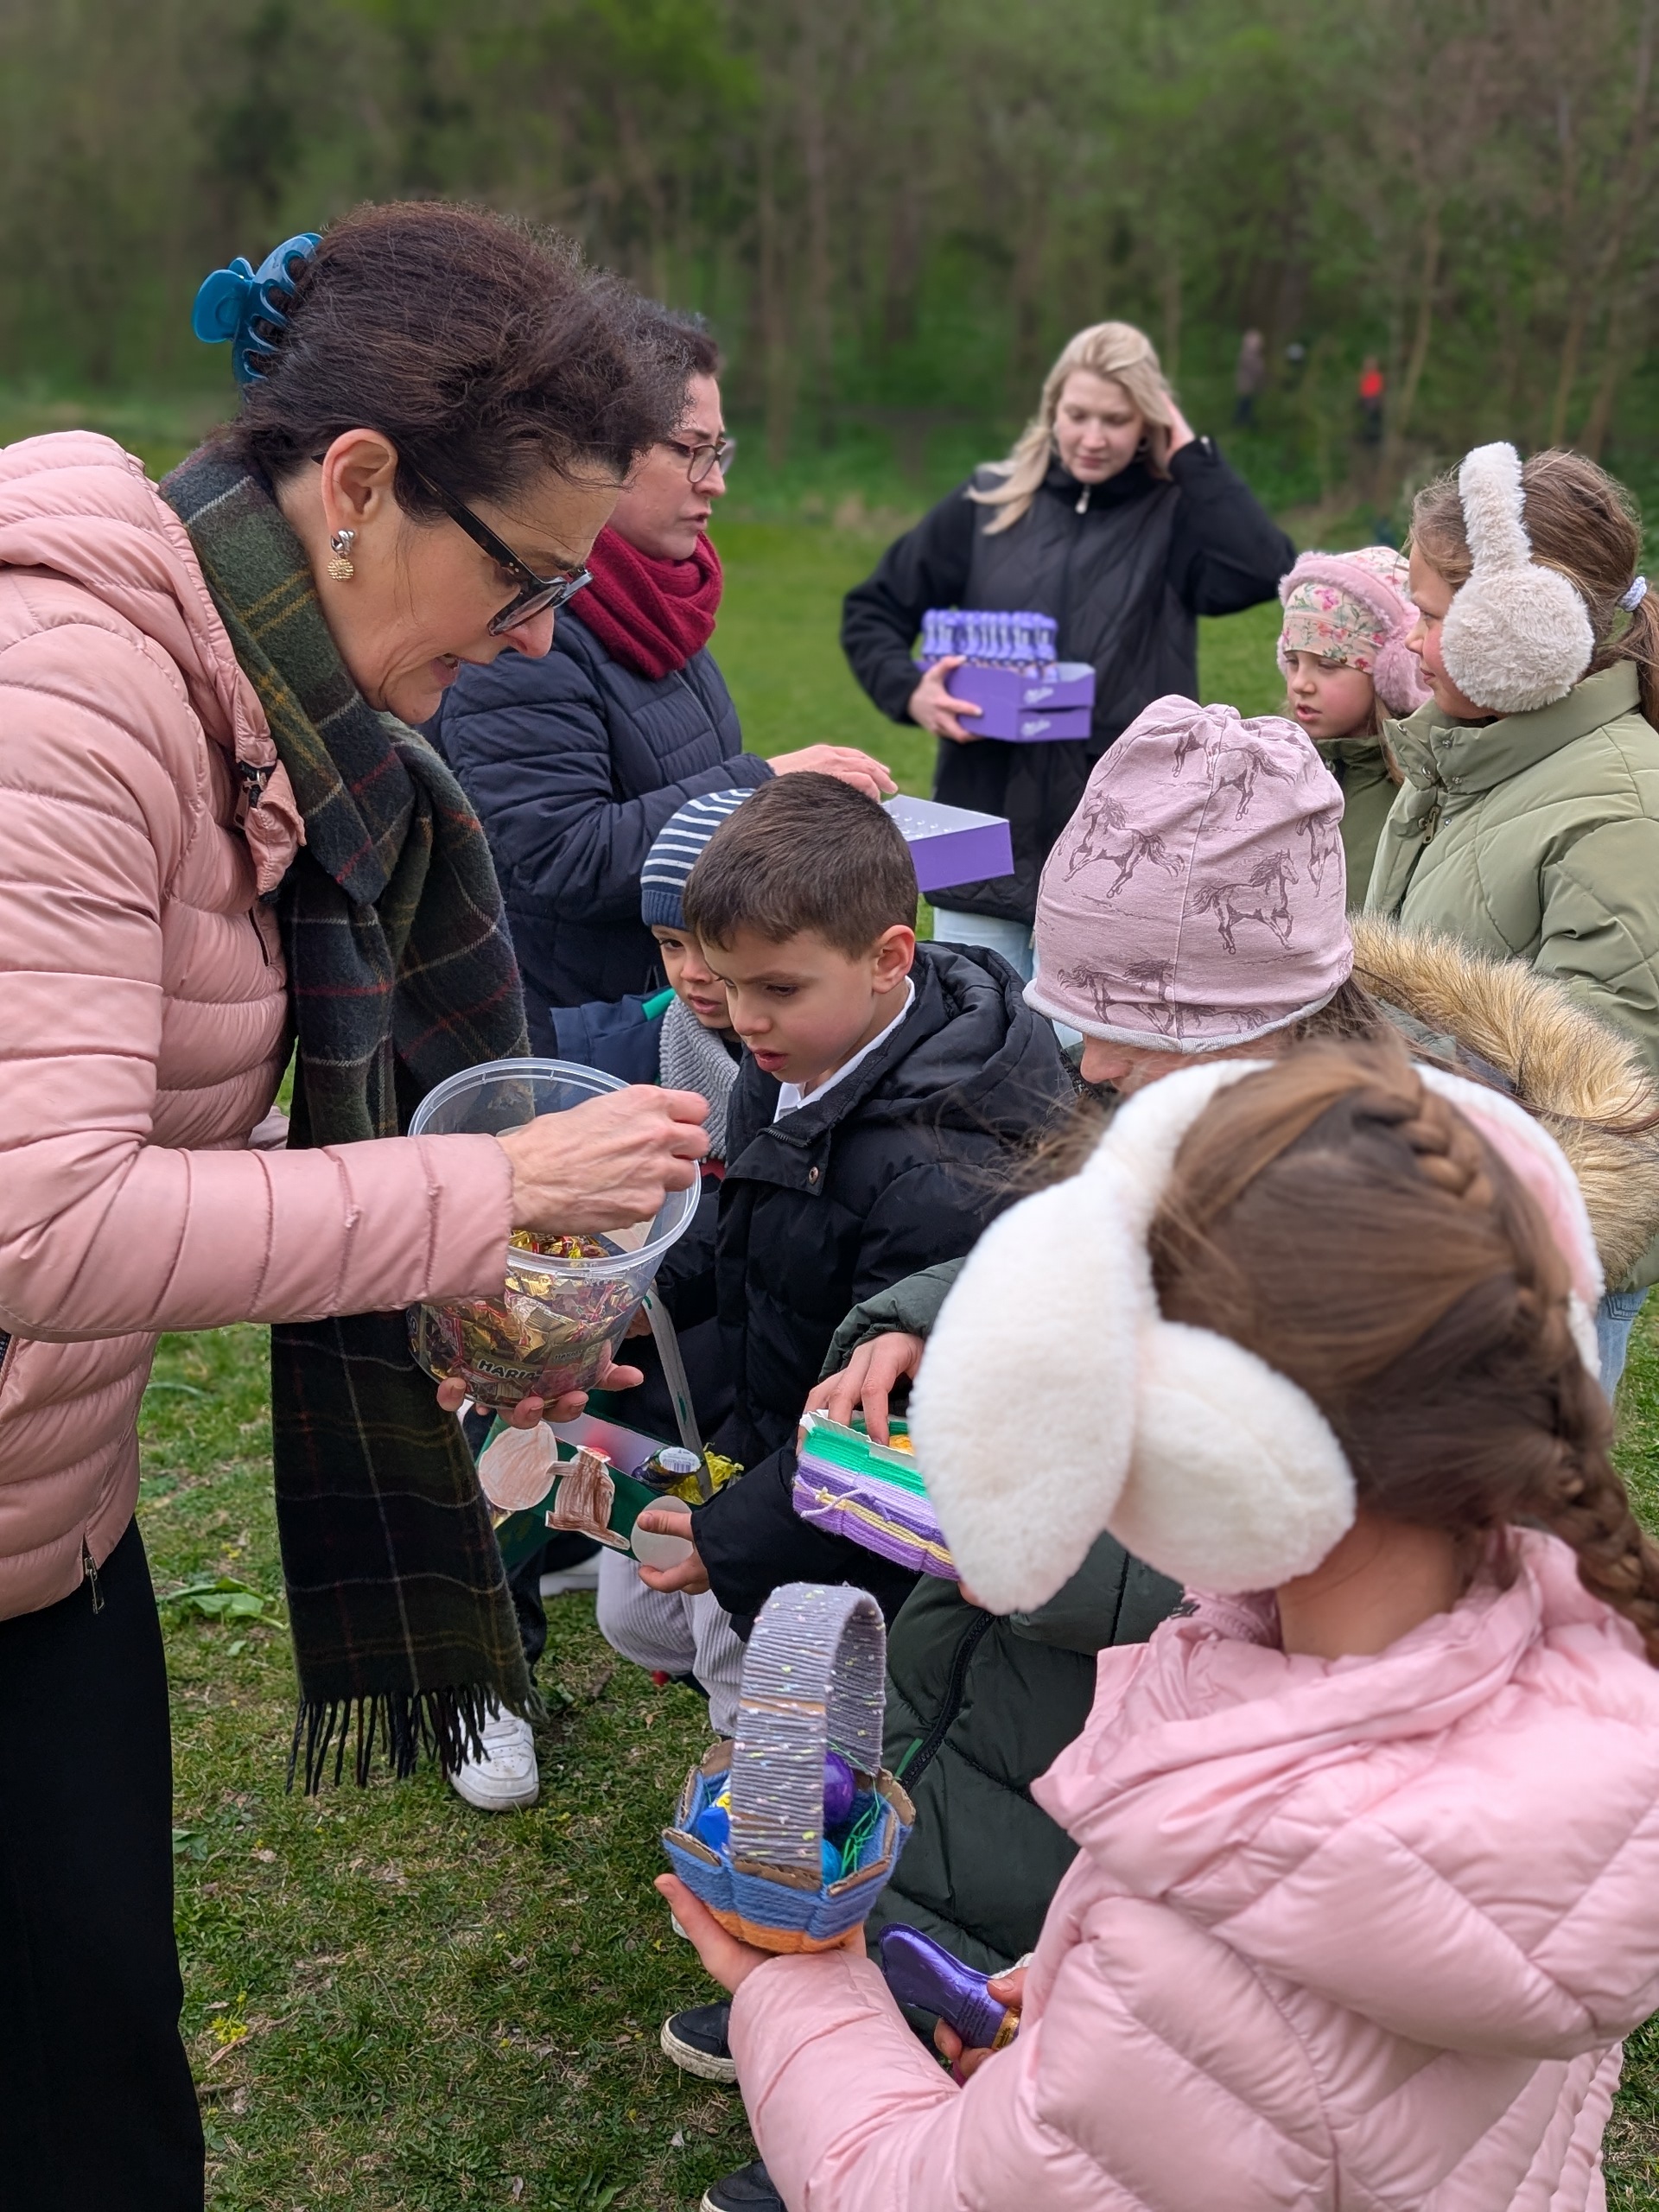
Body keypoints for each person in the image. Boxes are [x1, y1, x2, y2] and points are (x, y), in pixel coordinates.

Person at [0, 204, 715, 2210]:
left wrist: (461, 1282)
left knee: (95, 2071)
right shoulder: (69, 697)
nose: (542, 637)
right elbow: (38, 1225)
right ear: (360, 484)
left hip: (51, 1510)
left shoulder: (269, 709)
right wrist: (476, 1192)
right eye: (527, 577)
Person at [662, 1037, 1659, 2212]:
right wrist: (1080, 2024)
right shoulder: (1573, 1675)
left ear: (1216, 1442)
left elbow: (919, 2192)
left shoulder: (1214, 1929)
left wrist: (802, 1989)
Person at [624, 772, 1073, 1631]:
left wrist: (737, 1539)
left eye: (777, 989)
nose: (743, 1018)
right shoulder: (796, 1057)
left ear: (889, 957)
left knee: (794, 1685)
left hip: (862, 1538)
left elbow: (887, 1419)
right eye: (729, 982)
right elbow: (753, 1215)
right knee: (655, 1624)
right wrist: (642, 1293)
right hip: (776, 1444)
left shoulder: (941, 1169)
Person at [431, 315, 893, 1030]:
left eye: (719, 452)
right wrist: (760, 789)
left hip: (656, 1010)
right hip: (562, 1037)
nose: (717, 485)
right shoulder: (527, 630)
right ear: (595, 451)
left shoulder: (659, 606)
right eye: (688, 451)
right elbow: (558, 856)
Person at [840, 320, 1293, 980]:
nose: (1093, 437)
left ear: (1150, 423)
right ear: (1052, 410)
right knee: (976, 1030)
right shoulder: (988, 502)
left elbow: (1263, 567)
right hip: (980, 840)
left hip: (1119, 851)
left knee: (1079, 1044)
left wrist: (1191, 457)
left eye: (1117, 419)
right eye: (1078, 415)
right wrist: (911, 690)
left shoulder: (1175, 517)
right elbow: (872, 610)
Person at [1369, 442, 1659, 1377]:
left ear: (1519, 633)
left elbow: (1602, 1105)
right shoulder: (1472, 759)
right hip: (1432, 1224)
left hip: (1525, 1268)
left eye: (1430, 616)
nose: (1410, 642)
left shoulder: (1620, 814)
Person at [1276, 545, 1429, 898]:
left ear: (1391, 671)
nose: (1300, 683)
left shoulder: (1417, 793)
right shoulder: (1279, 773)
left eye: (1327, 665)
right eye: (1293, 661)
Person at [1233, 324, 1266, 426]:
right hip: (1246, 383)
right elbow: (1254, 368)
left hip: (1250, 384)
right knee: (1244, 403)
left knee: (1248, 403)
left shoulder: (1252, 354)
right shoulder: (1247, 354)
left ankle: (1245, 420)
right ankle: (1239, 421)